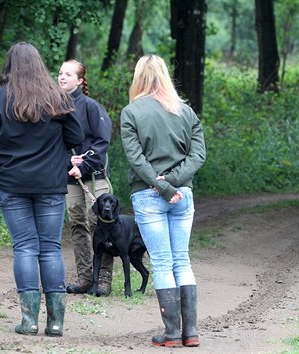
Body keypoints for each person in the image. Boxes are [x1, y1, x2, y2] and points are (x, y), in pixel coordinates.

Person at [0, 42, 84, 336]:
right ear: (39, 65)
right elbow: (76, 136)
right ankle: (56, 322)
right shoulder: (58, 100)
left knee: (24, 247)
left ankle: (29, 321)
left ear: (8, 65)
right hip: (50, 185)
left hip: (12, 184)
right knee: (49, 248)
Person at [120, 55, 206, 347]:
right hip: (183, 194)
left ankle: (170, 334)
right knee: (182, 260)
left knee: (161, 262)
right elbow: (198, 156)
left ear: (139, 77)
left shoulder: (131, 112)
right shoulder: (186, 111)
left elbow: (136, 158)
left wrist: (161, 185)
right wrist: (173, 182)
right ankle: (190, 333)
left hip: (147, 194)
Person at [57, 59, 114, 296]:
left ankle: (103, 280)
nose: (62, 77)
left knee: (99, 226)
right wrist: (65, 163)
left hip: (95, 179)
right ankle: (84, 277)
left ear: (80, 80)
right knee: (78, 225)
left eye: (68, 74)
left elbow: (102, 142)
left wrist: (85, 164)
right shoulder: (53, 106)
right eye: (60, 73)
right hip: (69, 179)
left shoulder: (91, 107)